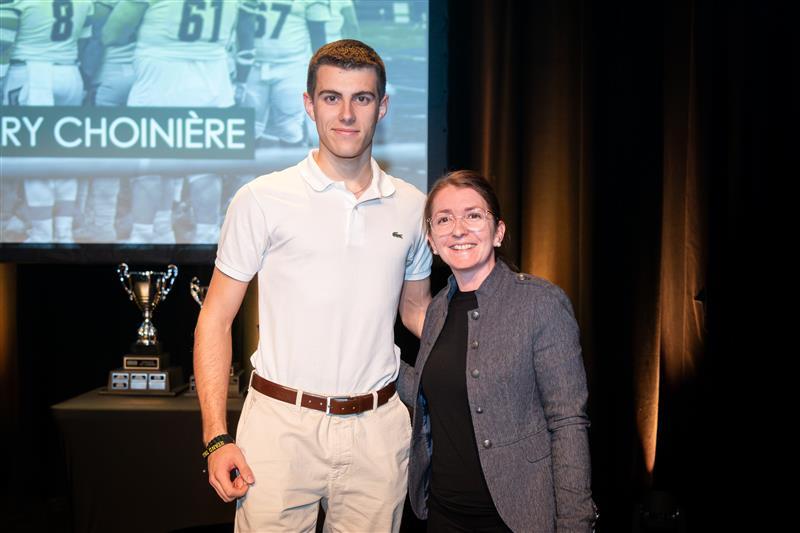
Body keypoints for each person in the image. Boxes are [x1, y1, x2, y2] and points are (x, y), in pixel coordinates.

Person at [194, 39, 432, 532]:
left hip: (378, 431)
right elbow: (214, 319)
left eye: (362, 98)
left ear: (382, 107)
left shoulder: (413, 206)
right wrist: (217, 438)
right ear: (309, 104)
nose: (346, 114)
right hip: (280, 429)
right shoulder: (261, 199)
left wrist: (493, 345)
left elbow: (418, 312)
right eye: (331, 97)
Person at [398, 170, 596, 532]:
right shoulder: (438, 310)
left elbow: (568, 422)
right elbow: (435, 395)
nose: (458, 229)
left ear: (499, 231)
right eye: (444, 219)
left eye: (473, 215)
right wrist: (384, 362)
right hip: (443, 515)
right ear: (431, 240)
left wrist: (575, 523)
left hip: (516, 519)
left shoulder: (541, 304)